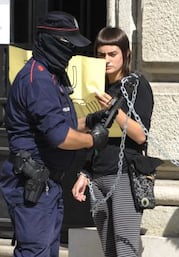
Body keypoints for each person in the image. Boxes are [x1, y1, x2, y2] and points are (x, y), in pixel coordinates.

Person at [0, 11, 109, 257]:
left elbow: (62, 123)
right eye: (68, 46)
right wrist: (93, 139)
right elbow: (60, 137)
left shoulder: (51, 76)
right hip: (33, 185)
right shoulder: (37, 80)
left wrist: (90, 120)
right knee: (36, 252)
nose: (72, 53)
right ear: (53, 43)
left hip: (49, 185)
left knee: (47, 251)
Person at [72, 27, 156, 257]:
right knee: (109, 251)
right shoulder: (96, 88)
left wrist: (113, 109)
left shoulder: (136, 85)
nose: (106, 60)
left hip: (125, 176)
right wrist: (84, 172)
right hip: (97, 176)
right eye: (101, 55)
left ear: (126, 54)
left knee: (125, 250)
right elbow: (81, 127)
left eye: (112, 54)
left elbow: (140, 135)